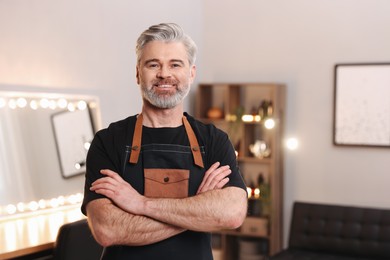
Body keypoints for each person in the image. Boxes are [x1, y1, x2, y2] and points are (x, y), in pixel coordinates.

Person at [81, 22, 248, 260]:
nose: (164, 74)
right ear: (138, 72)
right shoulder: (108, 141)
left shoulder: (213, 141)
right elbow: (107, 229)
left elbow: (231, 213)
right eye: (153, 64)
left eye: (175, 64)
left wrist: (140, 204)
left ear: (191, 73)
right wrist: (198, 210)